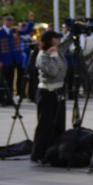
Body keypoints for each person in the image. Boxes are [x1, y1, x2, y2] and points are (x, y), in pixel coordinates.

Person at [30, 30, 67, 164]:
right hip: (47, 92)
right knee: (45, 124)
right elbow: (53, 71)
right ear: (50, 40)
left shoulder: (57, 50)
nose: (59, 40)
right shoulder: (43, 55)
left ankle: (54, 151)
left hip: (58, 91)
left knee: (59, 124)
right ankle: (37, 153)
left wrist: (74, 28)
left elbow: (68, 42)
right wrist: (55, 55)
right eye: (57, 38)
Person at [0, 14, 21, 106]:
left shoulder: (14, 31)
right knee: (3, 80)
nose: (10, 22)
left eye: (11, 20)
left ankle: (9, 99)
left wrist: (31, 21)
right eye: (8, 20)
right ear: (4, 21)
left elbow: (26, 31)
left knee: (11, 79)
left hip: (13, 59)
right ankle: (1, 98)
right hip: (4, 60)